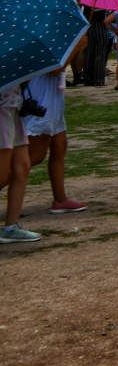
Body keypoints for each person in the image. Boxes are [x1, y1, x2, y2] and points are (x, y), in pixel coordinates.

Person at [25, 66, 85, 214]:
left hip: (52, 97)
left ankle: (60, 199)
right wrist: (76, 47)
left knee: (59, 146)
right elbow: (55, 69)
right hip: (41, 97)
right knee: (34, 156)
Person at [1, 83, 39, 242]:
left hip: (15, 105)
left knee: (22, 166)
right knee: (2, 174)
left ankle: (11, 227)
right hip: (3, 107)